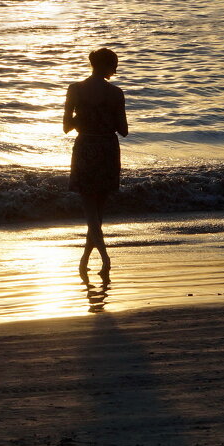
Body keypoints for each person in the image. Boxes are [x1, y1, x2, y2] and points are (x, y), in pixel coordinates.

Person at [63, 48, 128, 279]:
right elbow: (124, 131)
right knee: (97, 210)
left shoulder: (76, 89)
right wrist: (105, 115)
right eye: (115, 64)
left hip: (85, 148)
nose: (116, 69)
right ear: (108, 65)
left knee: (91, 210)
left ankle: (87, 258)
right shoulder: (116, 93)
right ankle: (102, 256)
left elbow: (66, 126)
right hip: (108, 149)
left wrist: (85, 115)